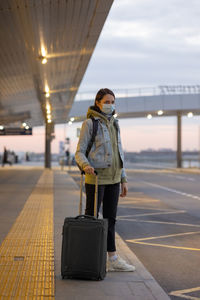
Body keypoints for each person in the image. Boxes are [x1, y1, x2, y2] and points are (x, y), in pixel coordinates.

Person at [75, 88, 135, 272]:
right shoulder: (90, 124)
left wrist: (123, 178)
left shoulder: (115, 124)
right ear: (98, 102)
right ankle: (88, 257)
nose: (110, 105)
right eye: (107, 102)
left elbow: (119, 152)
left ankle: (113, 258)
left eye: (112, 102)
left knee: (111, 220)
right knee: (91, 219)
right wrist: (86, 166)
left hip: (114, 180)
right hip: (96, 179)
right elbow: (79, 152)